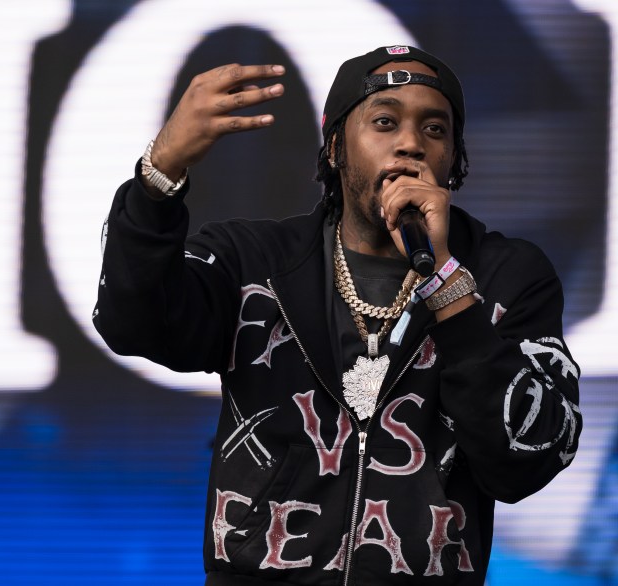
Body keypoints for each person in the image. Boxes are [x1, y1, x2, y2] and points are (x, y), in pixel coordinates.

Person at [93, 45, 582, 585]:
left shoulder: (507, 277)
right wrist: (159, 176)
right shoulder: (251, 262)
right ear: (334, 148)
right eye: (384, 122)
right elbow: (131, 322)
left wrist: (447, 284)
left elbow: (527, 460)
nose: (411, 143)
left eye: (435, 129)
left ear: (453, 159)